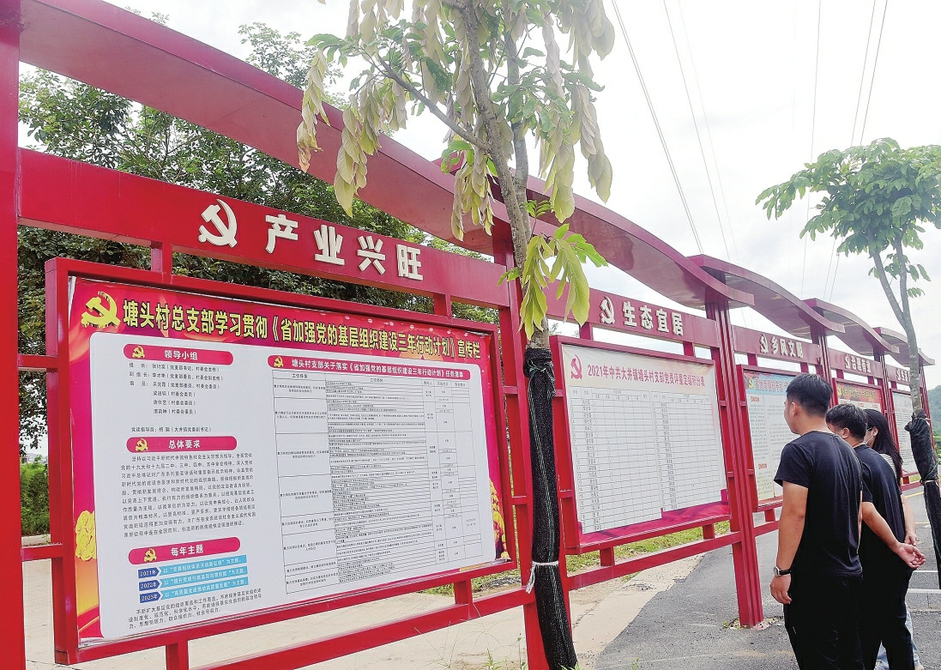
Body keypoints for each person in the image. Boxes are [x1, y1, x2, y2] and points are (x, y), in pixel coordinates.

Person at [771, 374, 865, 669]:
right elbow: (858, 515)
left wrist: (782, 570)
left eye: (785, 405)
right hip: (849, 572)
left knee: (818, 657)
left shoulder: (798, 450)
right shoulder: (848, 451)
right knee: (849, 655)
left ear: (794, 406)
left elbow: (794, 513)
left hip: (814, 578)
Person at [826, 403, 925, 670]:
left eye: (831, 431)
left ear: (845, 432)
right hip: (895, 564)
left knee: (865, 636)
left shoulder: (854, 462)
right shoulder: (880, 460)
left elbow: (866, 512)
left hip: (877, 562)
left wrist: (894, 545)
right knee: (895, 630)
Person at [863, 408, 923, 670]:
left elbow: (868, 511)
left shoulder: (875, 460)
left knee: (886, 619)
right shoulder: (887, 457)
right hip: (896, 546)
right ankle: (910, 662)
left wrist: (898, 540)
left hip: (886, 549)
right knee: (895, 616)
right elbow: (902, 500)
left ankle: (902, 661)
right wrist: (909, 530)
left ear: (873, 431)